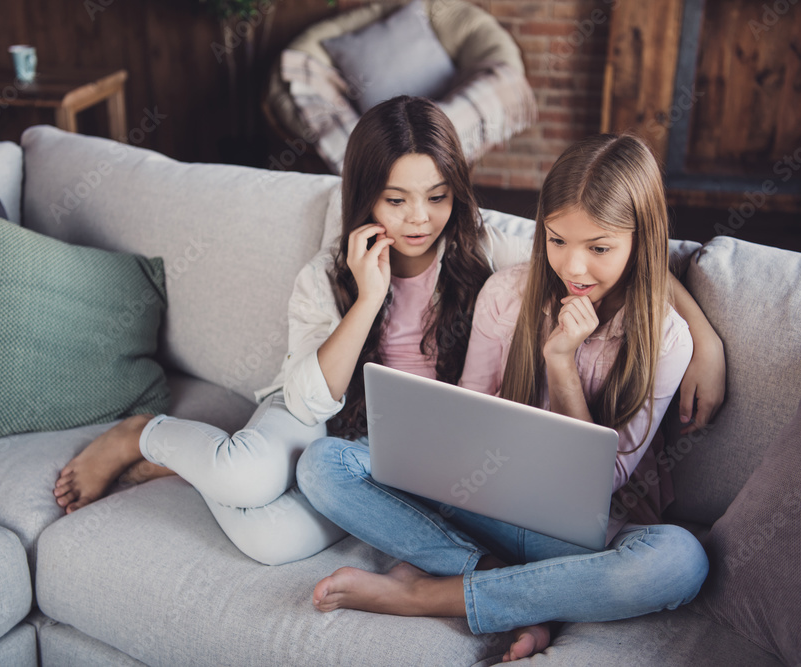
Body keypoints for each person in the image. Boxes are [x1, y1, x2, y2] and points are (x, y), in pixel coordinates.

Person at [54, 97, 722, 567]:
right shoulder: (331, 276)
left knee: (271, 541)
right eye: (395, 199)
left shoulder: (480, 264)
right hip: (315, 416)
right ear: (366, 197)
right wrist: (368, 298)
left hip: (387, 455)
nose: (418, 219)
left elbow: (610, 248)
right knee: (253, 473)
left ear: (457, 193)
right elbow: (311, 399)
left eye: (435, 197)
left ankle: (182, 469)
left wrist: (701, 332)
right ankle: (141, 433)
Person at [297, 133, 712, 661]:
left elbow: (599, 481)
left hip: (573, 537)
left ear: (641, 242)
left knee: (682, 560)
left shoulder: (667, 339)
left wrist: (560, 363)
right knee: (322, 463)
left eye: (600, 248)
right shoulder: (507, 293)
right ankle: (510, 588)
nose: (574, 268)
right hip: (482, 502)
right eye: (557, 240)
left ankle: (432, 593)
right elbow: (471, 416)